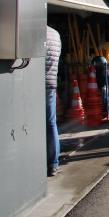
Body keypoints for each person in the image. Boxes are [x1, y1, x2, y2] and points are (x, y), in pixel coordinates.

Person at [45, 26, 62, 177]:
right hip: (51, 83)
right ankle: (53, 163)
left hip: (36, 85)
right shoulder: (55, 34)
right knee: (51, 122)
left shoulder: (36, 32)